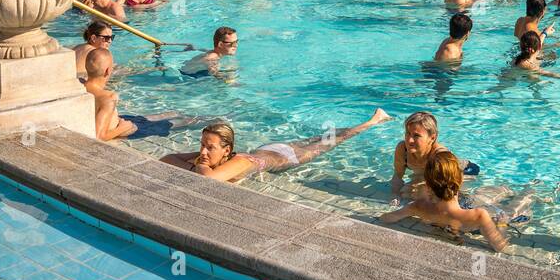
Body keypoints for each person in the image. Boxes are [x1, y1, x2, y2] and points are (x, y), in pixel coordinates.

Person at [160, 110, 391, 182]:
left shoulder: (238, 161)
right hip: (270, 147)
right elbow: (166, 159)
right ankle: (370, 120)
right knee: (323, 137)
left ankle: (373, 121)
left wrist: (197, 165)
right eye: (202, 145)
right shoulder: (212, 158)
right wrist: (201, 159)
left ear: (227, 150)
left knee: (331, 141)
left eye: (209, 147)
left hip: (287, 157)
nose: (203, 151)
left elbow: (208, 180)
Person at [378, 151, 511, 253]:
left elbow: (387, 218)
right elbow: (500, 246)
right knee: (504, 194)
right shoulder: (479, 215)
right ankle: (524, 191)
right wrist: (502, 225)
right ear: (460, 181)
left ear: (428, 185)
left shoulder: (419, 206)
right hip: (468, 221)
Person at [390, 111, 473, 204]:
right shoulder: (403, 149)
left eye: (416, 135)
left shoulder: (439, 156)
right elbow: (397, 175)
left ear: (432, 138)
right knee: (406, 193)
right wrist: (395, 195)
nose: (409, 140)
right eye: (408, 133)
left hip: (465, 171)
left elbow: (448, 187)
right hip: (429, 174)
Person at [83, 47, 138, 141]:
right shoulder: (108, 98)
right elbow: (99, 137)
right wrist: (123, 127)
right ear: (108, 70)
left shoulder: (80, 85)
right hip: (113, 140)